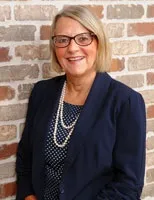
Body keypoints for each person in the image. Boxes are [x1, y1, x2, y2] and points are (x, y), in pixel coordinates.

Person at [15, 5, 146, 200]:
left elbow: (128, 185)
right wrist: (28, 197)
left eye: (83, 38)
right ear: (54, 47)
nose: (72, 48)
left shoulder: (125, 102)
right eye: (62, 40)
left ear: (98, 43)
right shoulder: (42, 92)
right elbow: (26, 156)